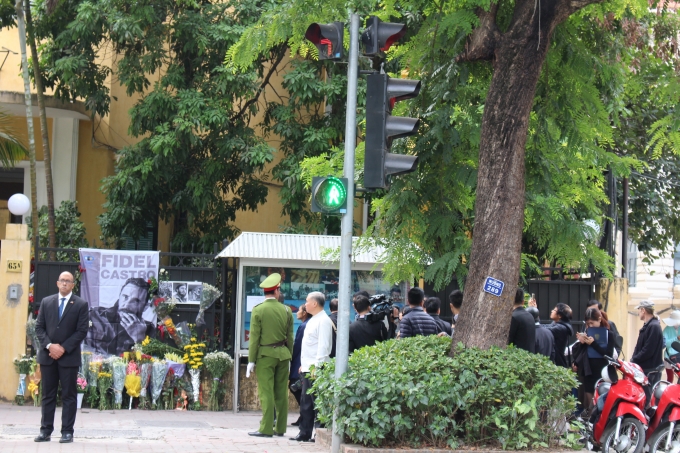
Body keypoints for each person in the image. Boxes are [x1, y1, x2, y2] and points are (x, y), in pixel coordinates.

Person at [34, 271, 89, 443]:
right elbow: (39, 328)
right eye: (62, 280)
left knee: (69, 395)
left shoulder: (80, 304)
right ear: (57, 283)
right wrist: (50, 346)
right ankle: (45, 431)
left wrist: (63, 348)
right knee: (47, 395)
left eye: (68, 281)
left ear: (73, 285)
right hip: (48, 356)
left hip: (68, 357)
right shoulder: (46, 302)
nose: (65, 283)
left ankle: (67, 432)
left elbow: (82, 331)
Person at [246, 273, 294, 438]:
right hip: (283, 355)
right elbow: (290, 337)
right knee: (281, 392)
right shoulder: (287, 310)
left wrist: (251, 360)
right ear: (276, 291)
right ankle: (280, 428)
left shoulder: (258, 310)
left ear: (265, 292)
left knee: (266, 392)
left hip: (265, 355)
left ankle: (266, 428)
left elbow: (254, 338)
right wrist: (290, 356)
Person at [290, 291, 334, 443]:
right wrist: (304, 365)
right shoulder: (313, 320)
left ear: (315, 303)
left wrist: (317, 367)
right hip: (308, 368)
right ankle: (304, 433)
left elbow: (323, 347)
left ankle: (318, 433)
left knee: (317, 403)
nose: (305, 304)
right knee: (306, 402)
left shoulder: (324, 321)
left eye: (307, 301)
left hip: (316, 369)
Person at [86, 278, 155, 355]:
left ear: (145, 307)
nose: (126, 305)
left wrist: (139, 338)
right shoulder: (94, 315)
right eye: (125, 297)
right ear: (119, 296)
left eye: (135, 301)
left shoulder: (149, 329)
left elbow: (152, 359)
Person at [574, 307, 616, 418]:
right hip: (589, 370)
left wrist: (593, 344)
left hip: (602, 371)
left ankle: (600, 421)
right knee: (589, 400)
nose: (590, 326)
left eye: (592, 323)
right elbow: (581, 353)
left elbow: (608, 355)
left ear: (599, 319)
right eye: (588, 324)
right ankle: (590, 421)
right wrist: (581, 343)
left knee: (601, 399)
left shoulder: (609, 334)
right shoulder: (587, 333)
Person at [632, 300, 664, 397]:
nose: (638, 312)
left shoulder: (654, 326)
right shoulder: (648, 325)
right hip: (644, 369)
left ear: (643, 310)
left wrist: (634, 359)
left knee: (648, 399)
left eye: (639, 310)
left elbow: (648, 350)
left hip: (650, 371)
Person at [289, 303, 311, 426]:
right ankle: (303, 415)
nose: (297, 312)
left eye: (299, 310)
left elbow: (297, 344)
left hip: (300, 361)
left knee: (296, 386)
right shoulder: (307, 324)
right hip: (302, 360)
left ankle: (305, 415)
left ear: (304, 313)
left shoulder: (304, 326)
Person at [544, 303, 574, 368]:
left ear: (560, 315)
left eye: (554, 310)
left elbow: (544, 330)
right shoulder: (556, 323)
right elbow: (545, 326)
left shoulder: (561, 328)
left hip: (557, 363)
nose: (552, 311)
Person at [508, 289, 536, 353]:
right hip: (530, 354)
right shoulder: (530, 316)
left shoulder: (513, 317)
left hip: (518, 355)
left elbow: (509, 339)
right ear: (523, 302)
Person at [662, 310, 680, 382]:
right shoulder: (666, 329)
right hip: (669, 357)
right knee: (670, 378)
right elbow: (665, 343)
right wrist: (677, 338)